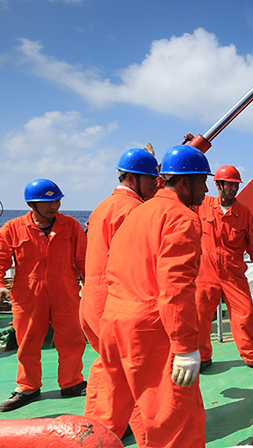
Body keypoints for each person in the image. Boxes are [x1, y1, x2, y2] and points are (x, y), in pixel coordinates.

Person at [88, 145, 209, 447]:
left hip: (114, 322)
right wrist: (185, 347)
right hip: (150, 330)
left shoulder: (139, 212)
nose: (206, 190)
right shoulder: (181, 218)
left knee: (109, 412)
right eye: (203, 181)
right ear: (186, 182)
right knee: (175, 420)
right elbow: (176, 287)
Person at [81, 148, 159, 438]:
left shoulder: (103, 206)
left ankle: (96, 431)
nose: (154, 185)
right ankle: (138, 434)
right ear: (132, 178)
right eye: (150, 179)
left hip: (92, 297)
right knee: (131, 370)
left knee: (107, 366)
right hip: (114, 298)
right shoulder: (133, 210)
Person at [0, 179, 87, 412]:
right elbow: (1, 259)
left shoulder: (71, 226)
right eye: (48, 202)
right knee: (27, 341)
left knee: (72, 338)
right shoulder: (12, 228)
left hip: (65, 290)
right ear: (31, 204)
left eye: (57, 201)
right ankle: (28, 387)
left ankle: (72, 382)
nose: (54, 206)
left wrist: (89, 283)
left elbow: (84, 258)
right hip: (28, 293)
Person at [195, 165, 253, 373]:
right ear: (218, 185)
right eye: (230, 185)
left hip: (233, 274)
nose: (234, 189)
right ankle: (203, 357)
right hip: (205, 272)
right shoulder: (201, 205)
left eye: (236, 185)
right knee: (200, 317)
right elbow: (172, 199)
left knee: (245, 314)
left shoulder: (243, 213)